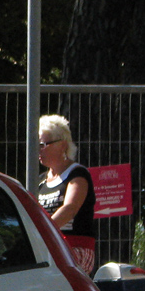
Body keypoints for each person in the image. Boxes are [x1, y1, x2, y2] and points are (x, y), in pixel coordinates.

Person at [37, 114, 96, 274]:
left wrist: (41, 232)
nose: (38, 149)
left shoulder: (77, 174)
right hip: (49, 247)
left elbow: (70, 209)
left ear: (63, 145)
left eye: (43, 144)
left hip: (75, 248)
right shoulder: (40, 181)